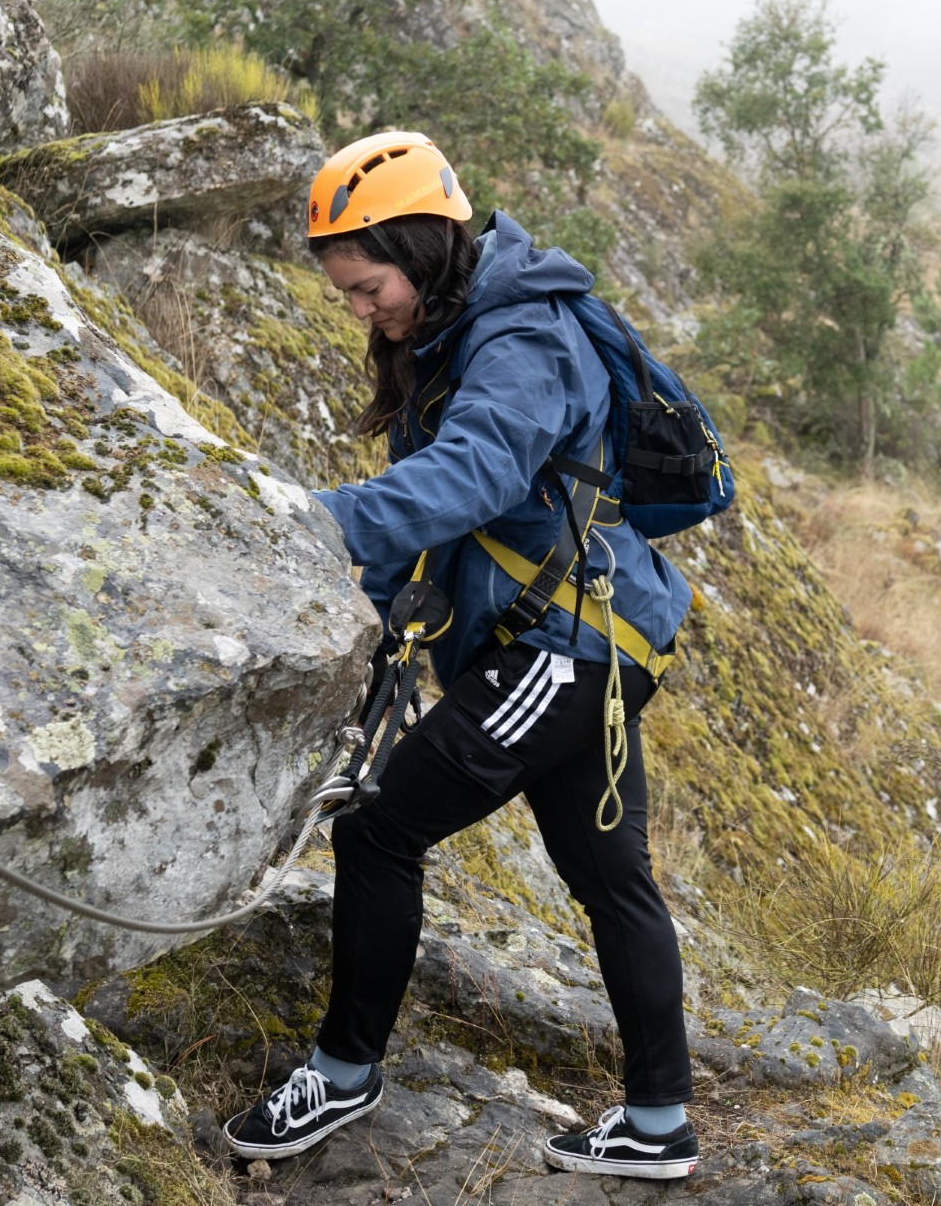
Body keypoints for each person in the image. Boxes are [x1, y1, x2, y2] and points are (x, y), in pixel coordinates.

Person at [221, 132, 699, 1180]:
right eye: (348, 293)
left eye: (368, 285)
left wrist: (311, 521)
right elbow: (432, 519)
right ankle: (659, 1122)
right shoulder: (453, 333)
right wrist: (376, 620)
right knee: (610, 876)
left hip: (570, 647)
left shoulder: (521, 335)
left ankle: (343, 1071)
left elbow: (475, 474)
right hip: (589, 639)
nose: (361, 309)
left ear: (425, 250)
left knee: (382, 829)